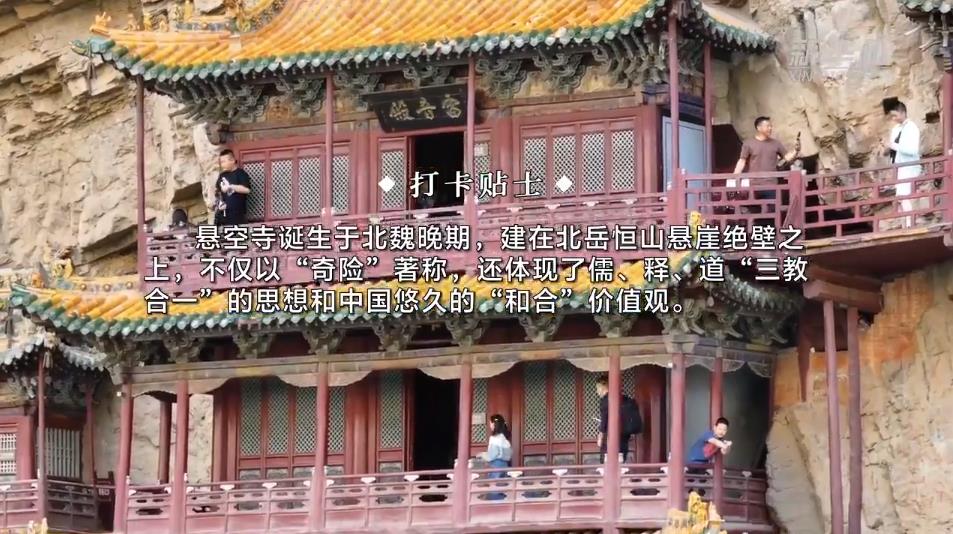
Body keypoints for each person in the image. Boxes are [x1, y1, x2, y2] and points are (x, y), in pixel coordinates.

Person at [732, 116, 800, 215]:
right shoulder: (748, 143)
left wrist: (796, 151)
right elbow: (742, 161)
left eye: (771, 126)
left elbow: (786, 158)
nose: (770, 128)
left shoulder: (776, 143)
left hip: (771, 185)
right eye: (767, 126)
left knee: (772, 214)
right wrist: (735, 177)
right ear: (758, 128)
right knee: (754, 213)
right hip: (753, 185)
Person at [879, 101, 922, 226]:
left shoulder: (912, 128)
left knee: (904, 196)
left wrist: (893, 145)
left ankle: (910, 224)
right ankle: (907, 224)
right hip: (899, 168)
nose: (894, 118)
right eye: (892, 116)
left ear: (903, 112)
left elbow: (912, 150)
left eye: (895, 115)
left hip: (910, 166)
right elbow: (893, 149)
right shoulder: (896, 129)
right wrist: (886, 148)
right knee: (901, 197)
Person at [595, 376, 642, 463]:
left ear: (604, 386)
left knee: (607, 462)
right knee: (621, 462)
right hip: (624, 436)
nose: (597, 391)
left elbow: (604, 420)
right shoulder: (624, 398)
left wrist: (600, 436)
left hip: (611, 436)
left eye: (598, 387)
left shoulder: (605, 400)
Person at [207, 149, 252, 225]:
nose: (222, 164)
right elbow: (217, 192)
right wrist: (219, 203)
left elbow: (247, 190)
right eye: (221, 162)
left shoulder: (241, 173)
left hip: (237, 213)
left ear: (233, 161)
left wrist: (230, 187)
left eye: (224, 162)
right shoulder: (222, 175)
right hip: (224, 213)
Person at [480, 414, 512, 500]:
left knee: (495, 491)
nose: (490, 425)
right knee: (503, 489)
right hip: (505, 466)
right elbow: (509, 455)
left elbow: (492, 455)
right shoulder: (505, 439)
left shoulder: (494, 438)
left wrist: (482, 455)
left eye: (490, 423)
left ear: (494, 424)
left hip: (495, 466)